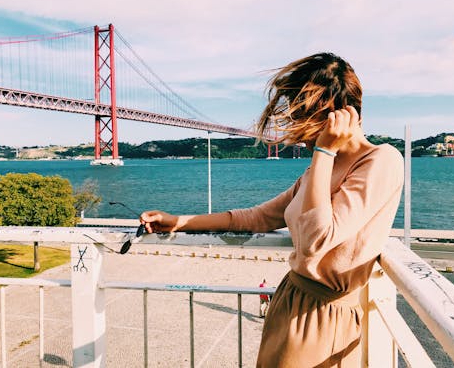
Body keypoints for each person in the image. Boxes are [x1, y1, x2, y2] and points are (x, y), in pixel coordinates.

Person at [140, 52, 404, 367]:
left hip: (325, 318)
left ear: (338, 116)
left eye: (302, 114)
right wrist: (178, 221)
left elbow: (315, 242)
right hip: (289, 300)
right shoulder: (316, 172)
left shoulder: (381, 160)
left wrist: (324, 150)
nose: (294, 125)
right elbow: (256, 218)